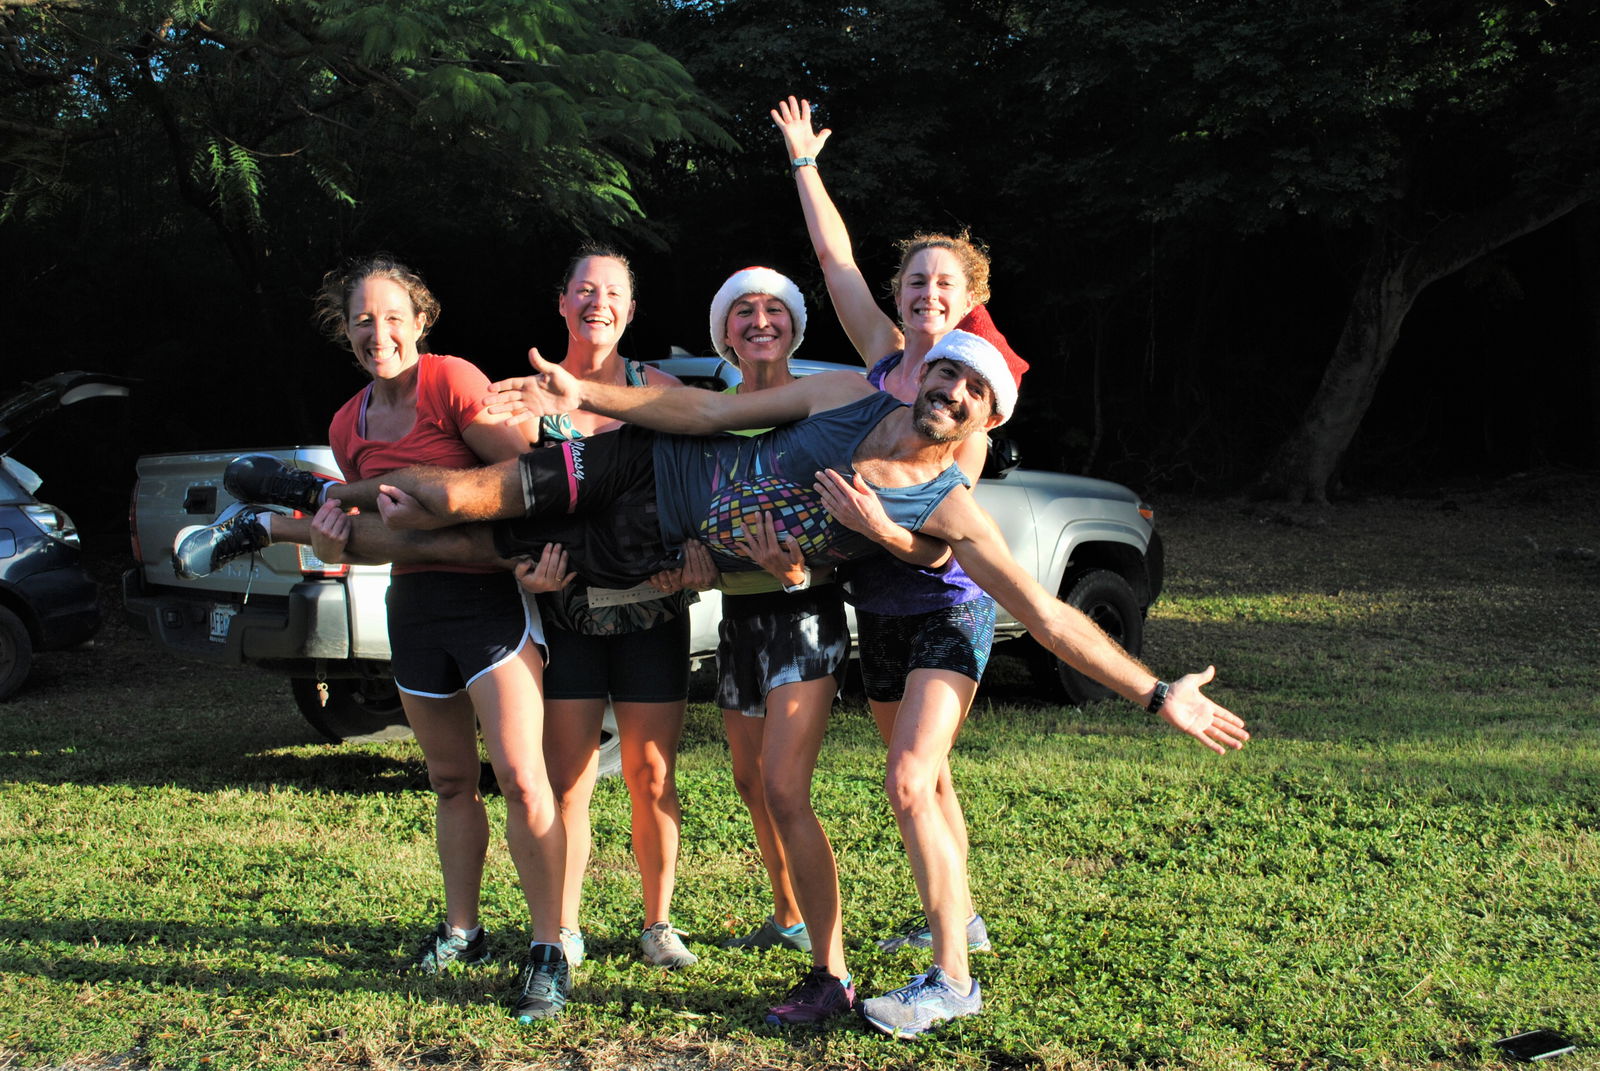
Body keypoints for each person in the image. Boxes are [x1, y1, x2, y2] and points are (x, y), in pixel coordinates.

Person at [216, 329, 1249, 1036]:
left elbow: (1047, 613)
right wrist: (589, 396)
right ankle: (314, 494)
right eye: (949, 377)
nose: (953, 394)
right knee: (468, 494)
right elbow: (709, 415)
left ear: (983, 420)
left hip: (658, 538)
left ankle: (297, 519)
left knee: (481, 543)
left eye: (976, 393)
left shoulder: (946, 506)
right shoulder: (848, 394)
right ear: (925, 375)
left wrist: (1159, 693)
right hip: (636, 467)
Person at [175, 255, 571, 1021]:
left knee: (523, 780)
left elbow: (525, 481)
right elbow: (348, 545)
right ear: (345, 330)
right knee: (452, 780)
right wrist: (327, 538)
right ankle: (464, 930)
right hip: (414, 603)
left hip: (489, 597)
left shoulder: (452, 381)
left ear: (421, 322)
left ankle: (548, 948)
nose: (378, 332)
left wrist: (423, 516)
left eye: (393, 317)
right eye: (363, 319)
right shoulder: (344, 423)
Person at [772, 94, 1018, 978]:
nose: (927, 293)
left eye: (945, 283)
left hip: (942, 597)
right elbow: (833, 258)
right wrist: (805, 163)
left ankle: (954, 957)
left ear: (969, 299)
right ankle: (960, 917)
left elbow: (948, 544)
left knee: (914, 777)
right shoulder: (877, 357)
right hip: (876, 602)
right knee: (928, 778)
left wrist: (875, 527)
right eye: (916, 280)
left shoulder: (968, 409)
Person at [696, 267, 893, 1025]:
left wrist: (803, 567)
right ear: (725, 331)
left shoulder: (823, 405)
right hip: (736, 620)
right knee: (749, 780)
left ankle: (832, 971)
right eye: (742, 309)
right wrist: (693, 561)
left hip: (804, 612)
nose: (759, 320)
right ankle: (785, 912)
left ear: (795, 325)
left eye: (773, 308)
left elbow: (848, 518)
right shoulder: (709, 413)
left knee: (785, 787)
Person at [516, 247, 698, 972]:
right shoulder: (525, 398)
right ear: (561, 301)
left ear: (629, 308)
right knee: (568, 779)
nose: (598, 302)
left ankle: (658, 923)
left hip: (654, 609)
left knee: (651, 774)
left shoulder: (660, 390)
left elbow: (700, 482)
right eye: (584, 289)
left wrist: (700, 555)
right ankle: (562, 926)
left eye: (613, 292)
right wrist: (521, 570)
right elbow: (505, 503)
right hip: (567, 612)